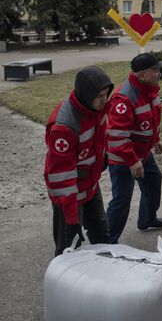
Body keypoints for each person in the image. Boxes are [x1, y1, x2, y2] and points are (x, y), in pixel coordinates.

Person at [44, 66, 114, 256]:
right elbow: (61, 178)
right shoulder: (64, 127)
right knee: (68, 248)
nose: (104, 100)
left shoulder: (96, 109)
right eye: (99, 95)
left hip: (90, 187)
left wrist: (103, 157)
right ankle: (62, 282)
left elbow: (98, 138)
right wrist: (72, 218)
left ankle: (105, 278)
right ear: (86, 94)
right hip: (69, 198)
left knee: (102, 237)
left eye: (106, 94)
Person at [105, 53, 162, 244]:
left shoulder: (148, 89)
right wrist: (132, 160)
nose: (159, 74)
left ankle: (147, 219)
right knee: (122, 199)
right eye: (155, 70)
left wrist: (155, 139)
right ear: (142, 74)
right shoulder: (123, 99)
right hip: (123, 158)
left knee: (153, 181)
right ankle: (107, 241)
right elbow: (116, 136)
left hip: (142, 153)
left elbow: (150, 118)